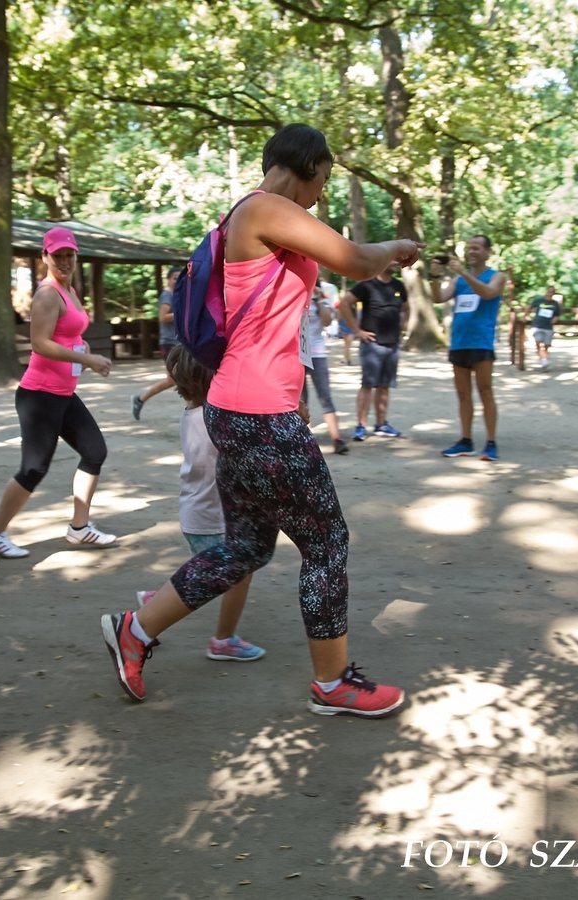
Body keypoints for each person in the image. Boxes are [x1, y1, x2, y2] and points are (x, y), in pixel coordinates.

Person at [100, 123, 423, 717]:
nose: (322, 194)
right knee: (326, 542)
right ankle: (333, 683)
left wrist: (375, 258)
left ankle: (134, 630)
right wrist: (394, 250)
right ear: (306, 165)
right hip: (256, 414)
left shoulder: (264, 222)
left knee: (246, 547)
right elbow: (352, 259)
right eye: (323, 179)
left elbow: (328, 271)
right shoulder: (261, 208)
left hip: (242, 408)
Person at [0, 226, 116, 559]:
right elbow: (39, 343)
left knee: (94, 451)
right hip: (39, 395)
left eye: (69, 255)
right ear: (45, 257)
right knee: (34, 468)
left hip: (63, 392)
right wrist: (87, 358)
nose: (65, 261)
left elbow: (66, 334)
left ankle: (79, 528)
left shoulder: (69, 289)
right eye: (58, 256)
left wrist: (80, 350)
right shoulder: (48, 293)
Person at [135, 345, 266, 661]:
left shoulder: (195, 412)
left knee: (208, 566)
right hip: (209, 516)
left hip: (198, 512)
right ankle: (223, 640)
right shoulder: (214, 421)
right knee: (237, 573)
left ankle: (159, 598)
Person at [433, 235, 507, 460]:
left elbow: (488, 293)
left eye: (477, 248)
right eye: (469, 248)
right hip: (459, 342)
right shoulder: (458, 282)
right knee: (463, 394)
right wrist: (434, 276)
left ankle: (491, 442)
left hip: (481, 341)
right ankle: (465, 440)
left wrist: (463, 272)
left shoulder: (497, 276)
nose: (472, 252)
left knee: (485, 391)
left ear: (487, 252)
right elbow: (439, 298)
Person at [340, 266, 409, 440]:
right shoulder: (367, 284)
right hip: (372, 344)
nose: (396, 263)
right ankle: (361, 426)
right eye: (393, 258)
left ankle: (382, 424)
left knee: (385, 385)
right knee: (368, 385)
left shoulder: (398, 286)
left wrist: (404, 327)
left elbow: (406, 308)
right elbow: (344, 303)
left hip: (392, 344)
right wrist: (357, 330)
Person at [301, 280, 349, 454]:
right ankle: (304, 441)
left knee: (325, 396)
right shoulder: (295, 294)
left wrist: (318, 299)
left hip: (317, 352)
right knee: (300, 399)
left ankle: (337, 439)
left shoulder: (320, 299)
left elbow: (328, 322)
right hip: (296, 355)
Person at [131, 267, 181, 420]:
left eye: (180, 278)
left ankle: (140, 400)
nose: (177, 281)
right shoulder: (167, 296)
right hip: (168, 343)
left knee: (177, 379)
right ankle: (140, 399)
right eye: (174, 278)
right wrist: (180, 312)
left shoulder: (179, 295)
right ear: (168, 280)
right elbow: (163, 317)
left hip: (178, 343)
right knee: (177, 379)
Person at [527, 285, 560, 371]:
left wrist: (555, 319)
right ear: (546, 291)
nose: (550, 293)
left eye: (552, 291)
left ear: (554, 293)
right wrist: (526, 316)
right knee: (539, 343)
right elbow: (529, 307)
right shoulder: (539, 300)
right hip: (537, 325)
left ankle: (543, 360)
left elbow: (557, 314)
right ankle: (544, 361)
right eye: (549, 291)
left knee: (546, 346)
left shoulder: (555, 304)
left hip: (548, 326)